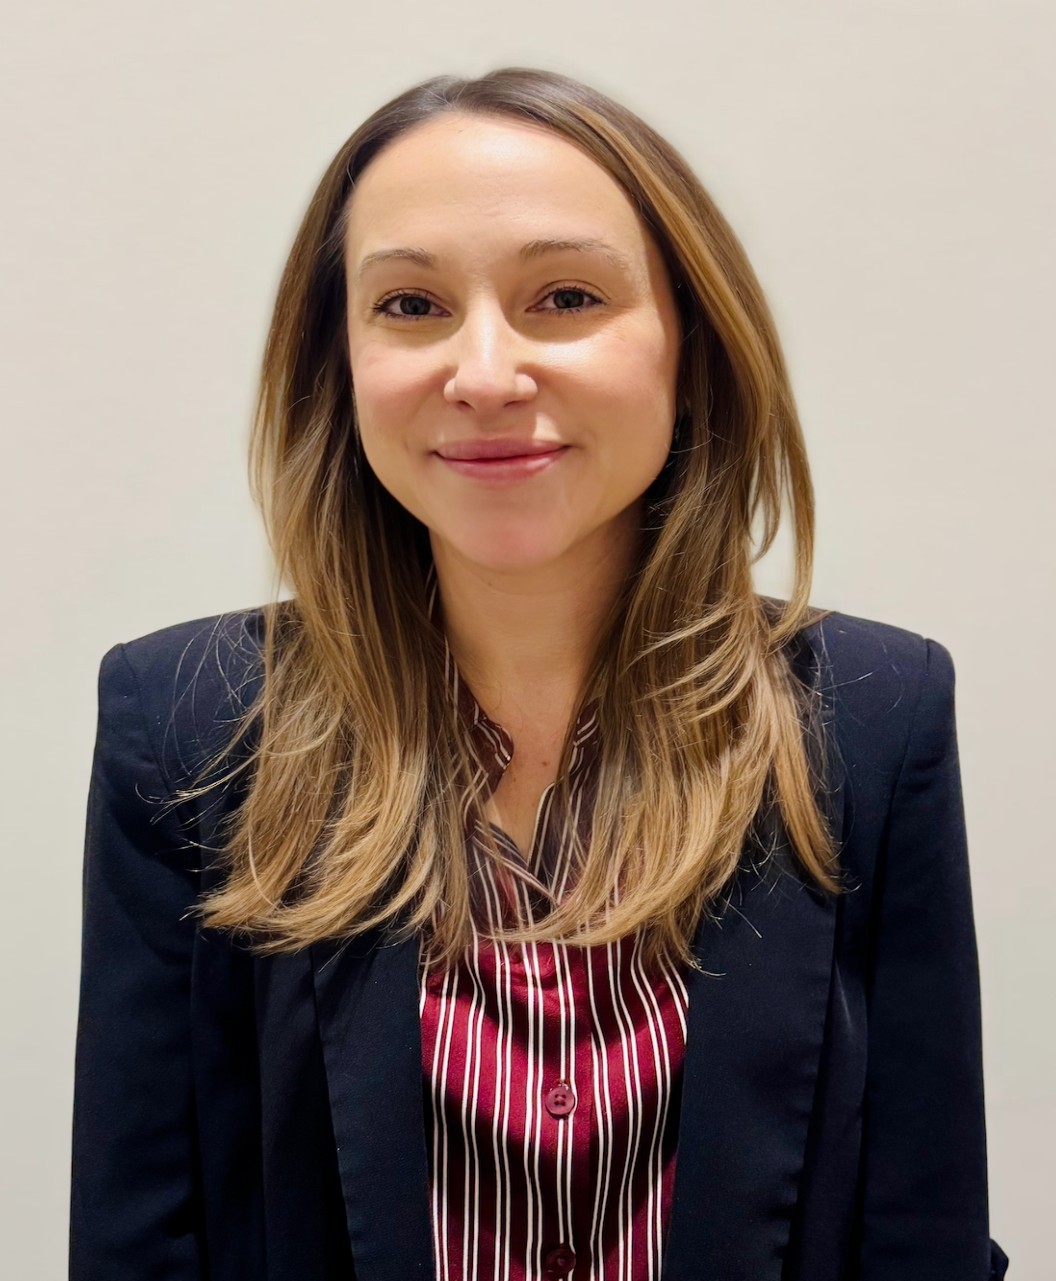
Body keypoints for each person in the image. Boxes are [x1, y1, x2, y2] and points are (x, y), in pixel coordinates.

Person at [69, 67, 1009, 1281]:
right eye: (408, 305)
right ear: (339, 366)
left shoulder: (874, 722)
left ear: (689, 342)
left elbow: (921, 1241)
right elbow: (141, 1246)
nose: (485, 373)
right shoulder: (186, 730)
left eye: (564, 296)